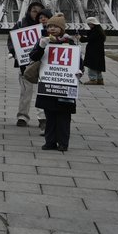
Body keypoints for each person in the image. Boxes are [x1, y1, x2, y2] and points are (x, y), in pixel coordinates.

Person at [31, 14, 80, 153]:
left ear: (62, 28)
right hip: (48, 84)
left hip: (64, 84)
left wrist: (79, 71)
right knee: (50, 115)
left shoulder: (69, 42)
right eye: (49, 26)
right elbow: (33, 57)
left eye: (55, 26)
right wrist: (41, 46)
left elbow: (77, 60)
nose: (51, 29)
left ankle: (63, 143)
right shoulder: (43, 41)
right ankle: (50, 141)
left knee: (64, 116)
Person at [14, 2, 48, 126]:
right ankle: (22, 116)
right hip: (26, 64)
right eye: (34, 10)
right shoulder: (21, 25)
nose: (37, 13)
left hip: (43, 64)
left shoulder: (48, 27)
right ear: (29, 11)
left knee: (43, 91)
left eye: (40, 12)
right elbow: (12, 41)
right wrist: (15, 52)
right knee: (25, 91)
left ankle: (43, 118)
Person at [82, 17, 106, 85]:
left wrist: (81, 38)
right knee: (97, 66)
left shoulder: (95, 31)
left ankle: (93, 79)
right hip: (98, 51)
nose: (89, 25)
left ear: (92, 24)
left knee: (91, 65)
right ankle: (100, 79)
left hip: (93, 51)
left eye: (89, 24)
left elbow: (89, 39)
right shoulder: (99, 31)